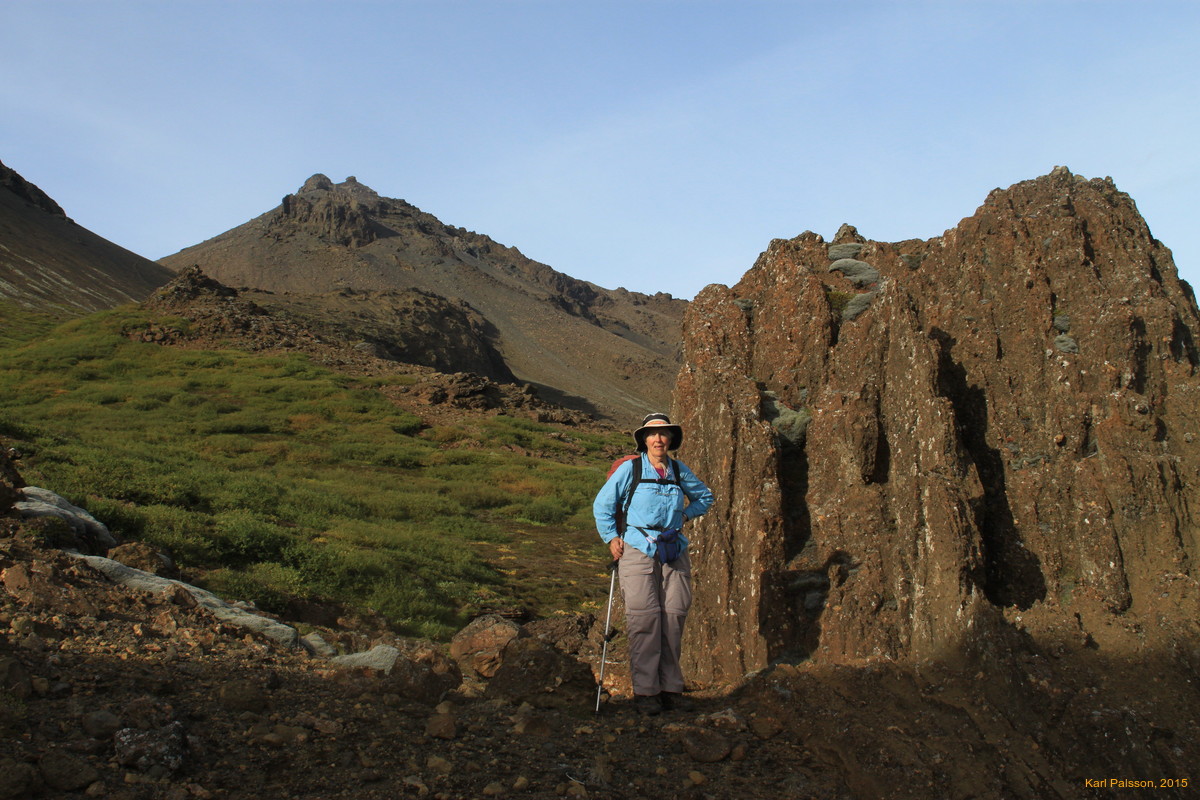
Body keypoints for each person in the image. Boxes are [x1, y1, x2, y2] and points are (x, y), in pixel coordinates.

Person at [592, 412, 714, 715]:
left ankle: (671, 688)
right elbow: (603, 505)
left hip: (674, 549)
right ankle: (646, 692)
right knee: (644, 618)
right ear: (644, 440)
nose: (658, 439)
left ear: (670, 440)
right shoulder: (631, 470)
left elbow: (705, 497)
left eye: (663, 434)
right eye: (652, 434)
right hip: (636, 548)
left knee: (674, 615)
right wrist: (611, 537)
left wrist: (684, 516)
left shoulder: (677, 469)